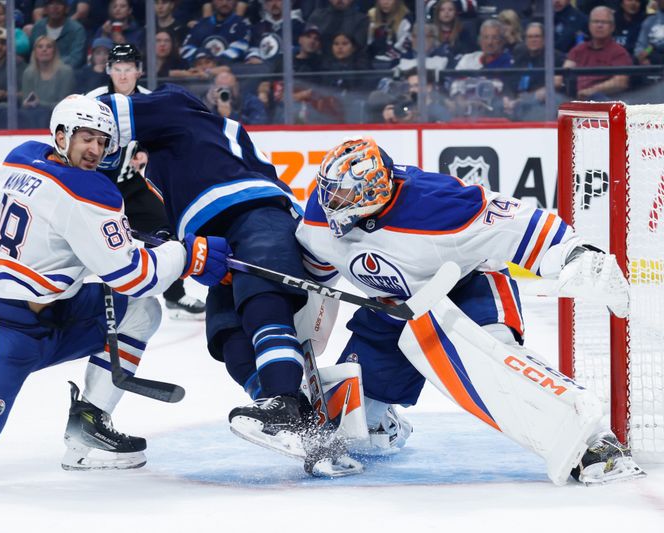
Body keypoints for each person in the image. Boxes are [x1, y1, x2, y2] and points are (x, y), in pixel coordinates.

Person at [0, 95, 231, 481]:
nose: (95, 150)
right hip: (1, 329)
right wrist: (185, 254)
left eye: (103, 141)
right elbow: (132, 276)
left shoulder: (23, 157)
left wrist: (69, 227)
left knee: (140, 311)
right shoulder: (90, 192)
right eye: (86, 137)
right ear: (60, 135)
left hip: (61, 313)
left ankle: (87, 430)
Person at [294, 135, 646, 485]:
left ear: (373, 191)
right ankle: (384, 426)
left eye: (341, 195)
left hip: (467, 286)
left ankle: (596, 441)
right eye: (329, 191)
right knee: (348, 423)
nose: (330, 203)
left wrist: (576, 254)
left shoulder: (437, 203)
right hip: (393, 309)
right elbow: (315, 273)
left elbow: (520, 221)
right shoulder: (319, 215)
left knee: (494, 365)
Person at [97, 83, 357, 476]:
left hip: (256, 214)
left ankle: (282, 400)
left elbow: (100, 112)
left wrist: (64, 144)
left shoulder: (177, 109)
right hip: (216, 235)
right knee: (227, 338)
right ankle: (301, 418)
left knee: (261, 302)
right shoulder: (170, 157)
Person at [87, 44, 209, 319]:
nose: (123, 75)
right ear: (108, 70)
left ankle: (175, 297)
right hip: (94, 186)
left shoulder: (150, 101)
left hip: (131, 185)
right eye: (117, 69)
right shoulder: (92, 100)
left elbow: (164, 140)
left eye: (128, 69)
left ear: (139, 71)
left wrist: (146, 152)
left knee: (168, 228)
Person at [564, 6, 633, 100]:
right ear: (589, 25)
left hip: (606, 101)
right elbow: (565, 73)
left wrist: (591, 91)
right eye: (595, 21)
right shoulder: (578, 50)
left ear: (612, 27)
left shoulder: (619, 52)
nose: (599, 25)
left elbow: (620, 82)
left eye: (604, 22)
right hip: (576, 99)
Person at [21, 35, 76, 127]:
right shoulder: (28, 73)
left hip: (59, 118)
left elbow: (64, 105)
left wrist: (40, 103)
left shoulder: (66, 72)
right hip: (33, 118)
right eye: (40, 47)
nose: (44, 50)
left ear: (54, 51)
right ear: (35, 52)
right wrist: (26, 104)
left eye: (49, 47)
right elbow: (26, 103)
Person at [180, 0, 251, 64]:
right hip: (200, 71)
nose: (224, 3)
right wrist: (201, 58)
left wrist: (214, 62)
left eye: (229, 0)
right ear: (212, 1)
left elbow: (239, 49)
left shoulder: (242, 25)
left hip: (230, 71)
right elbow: (187, 48)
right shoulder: (201, 24)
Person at [30, 0, 87, 68]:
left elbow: (76, 59)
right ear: (45, 9)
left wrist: (50, 67)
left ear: (67, 9)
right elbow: (32, 54)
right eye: (51, 3)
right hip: (40, 72)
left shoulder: (77, 29)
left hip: (67, 73)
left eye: (59, 3)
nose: (55, 7)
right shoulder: (38, 27)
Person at [203, 70, 268, 125]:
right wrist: (210, 103)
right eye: (220, 89)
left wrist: (231, 115)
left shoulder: (251, 101)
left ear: (236, 86)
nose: (224, 93)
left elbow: (258, 125)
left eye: (228, 89)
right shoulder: (211, 102)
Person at [635, 0, 664, 66]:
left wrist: (652, 47)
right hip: (654, 63)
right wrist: (643, 59)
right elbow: (640, 47)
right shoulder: (649, 21)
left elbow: (651, 47)